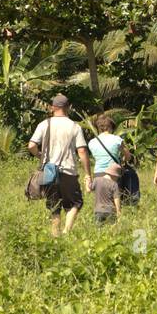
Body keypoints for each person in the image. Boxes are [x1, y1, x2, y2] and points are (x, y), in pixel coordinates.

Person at [27, 94, 92, 235]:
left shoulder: (44, 124)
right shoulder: (75, 126)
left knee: (54, 206)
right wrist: (88, 174)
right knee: (75, 203)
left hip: (48, 171)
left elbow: (31, 145)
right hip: (68, 172)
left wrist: (40, 156)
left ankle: (55, 235)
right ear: (68, 108)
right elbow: (81, 151)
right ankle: (66, 232)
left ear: (52, 108)